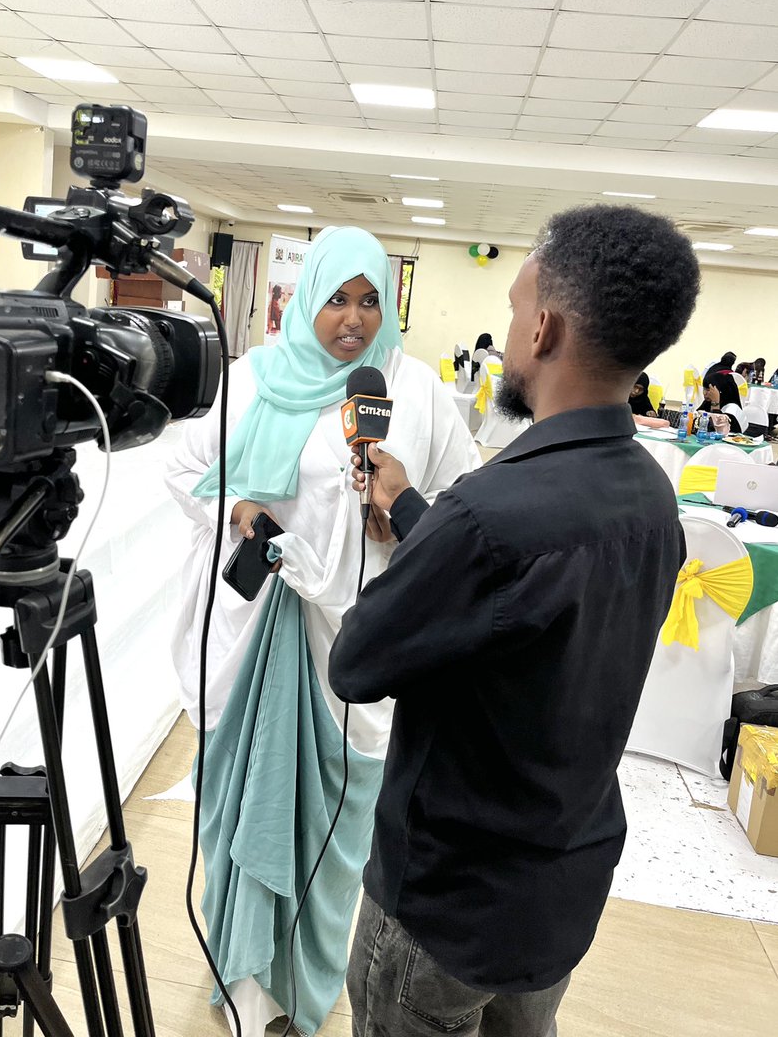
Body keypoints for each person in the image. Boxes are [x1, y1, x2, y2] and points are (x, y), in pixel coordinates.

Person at [328, 203, 700, 1037]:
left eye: (509, 309)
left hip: (446, 906)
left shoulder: (489, 515)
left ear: (544, 329)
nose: (502, 330)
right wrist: (416, 509)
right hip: (557, 888)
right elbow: (524, 602)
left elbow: (355, 663)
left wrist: (431, 538)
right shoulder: (649, 494)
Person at [165, 225, 480, 1036]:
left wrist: (406, 521)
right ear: (303, 301)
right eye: (336, 299)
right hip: (257, 637)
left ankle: (308, 989)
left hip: (360, 650)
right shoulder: (258, 376)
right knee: (240, 814)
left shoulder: (412, 392)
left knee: (339, 836)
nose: (354, 318)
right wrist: (236, 511)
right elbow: (182, 467)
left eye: (371, 299)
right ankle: (245, 989)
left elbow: (463, 509)